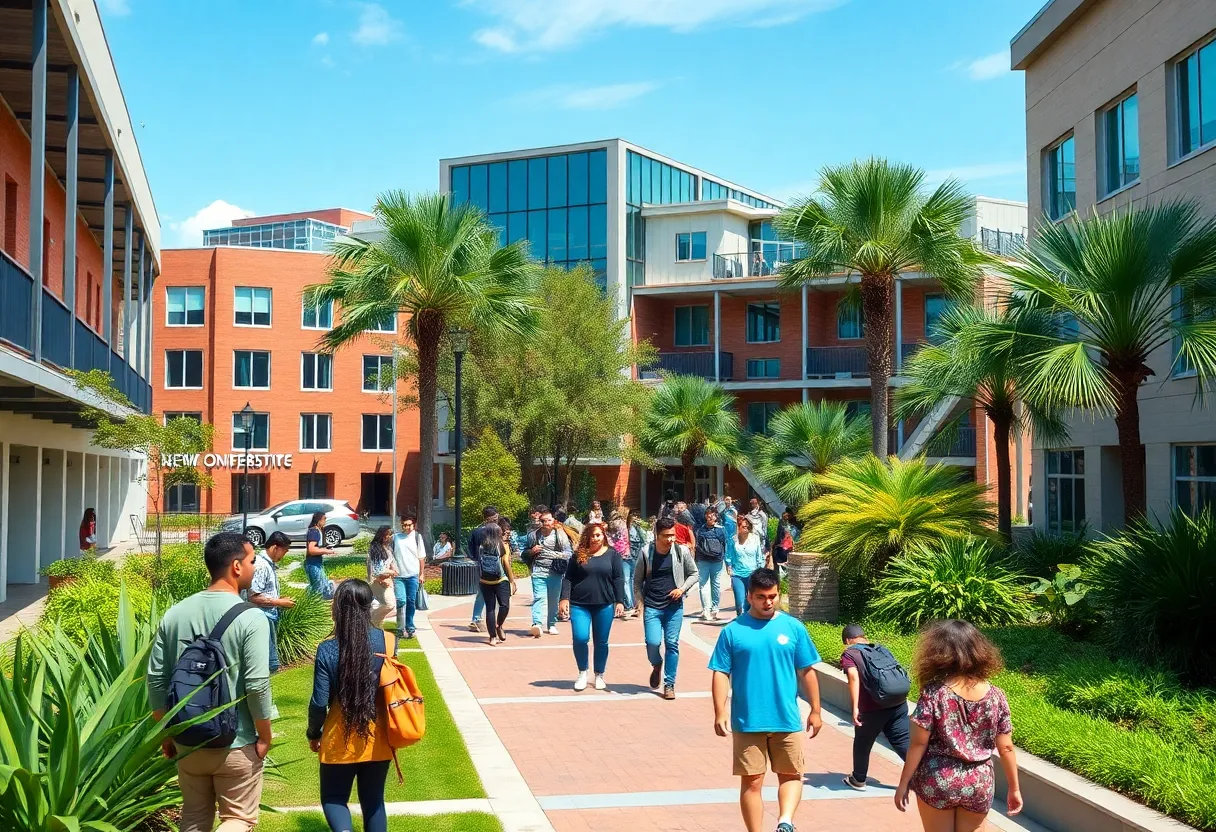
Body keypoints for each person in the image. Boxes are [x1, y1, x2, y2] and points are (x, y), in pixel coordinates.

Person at [147, 533, 273, 832]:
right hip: (236, 741)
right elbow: (257, 684)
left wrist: (167, 733)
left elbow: (156, 680)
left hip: (187, 741)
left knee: (193, 818)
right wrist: (265, 735)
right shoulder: (252, 619)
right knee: (238, 819)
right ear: (237, 567)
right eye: (252, 561)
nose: (255, 567)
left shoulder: (174, 614)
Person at [709, 569, 823, 832]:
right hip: (747, 720)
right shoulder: (732, 631)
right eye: (761, 597)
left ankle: (785, 822)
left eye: (772, 596)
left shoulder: (793, 627)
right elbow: (720, 672)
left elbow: (807, 670)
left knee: (792, 774)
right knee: (752, 781)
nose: (768, 602)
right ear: (749, 596)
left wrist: (816, 710)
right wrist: (719, 711)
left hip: (786, 718)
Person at [895, 620, 1022, 831]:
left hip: (938, 779)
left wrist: (903, 783)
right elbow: (1006, 747)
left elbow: (918, 744)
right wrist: (1014, 788)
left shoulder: (934, 693)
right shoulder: (996, 696)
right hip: (978, 781)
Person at [307, 579, 396, 832]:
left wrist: (314, 733)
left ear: (337, 608)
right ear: (369, 606)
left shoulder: (327, 649)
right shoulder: (388, 642)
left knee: (334, 798)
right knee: (374, 801)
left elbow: (319, 702)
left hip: (338, 738)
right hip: (378, 737)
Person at [633, 516, 698, 700]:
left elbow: (694, 574)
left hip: (674, 607)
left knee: (672, 645)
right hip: (652, 606)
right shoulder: (647, 552)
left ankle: (669, 684)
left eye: (673, 535)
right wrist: (639, 601)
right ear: (657, 535)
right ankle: (656, 663)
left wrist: (682, 589)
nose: (671, 539)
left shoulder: (681, 551)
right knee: (652, 642)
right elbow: (637, 580)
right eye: (666, 536)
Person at [841, 623, 910, 790]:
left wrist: (855, 707)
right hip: (898, 703)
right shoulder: (881, 648)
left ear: (848, 640)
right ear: (863, 637)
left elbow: (853, 677)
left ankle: (858, 779)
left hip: (872, 707)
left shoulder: (850, 653)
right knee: (902, 741)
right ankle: (925, 776)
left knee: (863, 743)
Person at [559, 522, 625, 691]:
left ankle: (599, 674)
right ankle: (582, 672)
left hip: (604, 605)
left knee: (601, 642)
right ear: (587, 537)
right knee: (580, 638)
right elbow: (568, 578)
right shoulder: (578, 555)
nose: (596, 538)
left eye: (599, 535)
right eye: (593, 535)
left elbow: (618, 579)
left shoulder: (612, 555)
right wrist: (564, 599)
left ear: (603, 536)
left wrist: (620, 601)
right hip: (579, 604)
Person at [247, 530, 295, 674]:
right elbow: (253, 596)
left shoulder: (268, 564)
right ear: (275, 548)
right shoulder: (261, 566)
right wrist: (279, 602)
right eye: (284, 551)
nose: (284, 555)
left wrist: (279, 600)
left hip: (268, 616)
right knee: (269, 664)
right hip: (262, 617)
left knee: (270, 662)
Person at [525, 510, 572, 637]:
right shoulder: (533, 536)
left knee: (553, 600)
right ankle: (537, 624)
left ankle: (551, 624)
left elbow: (569, 553)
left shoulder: (560, 535)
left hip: (555, 573)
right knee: (540, 598)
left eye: (549, 520)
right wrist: (532, 551)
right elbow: (524, 553)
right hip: (538, 572)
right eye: (543, 521)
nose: (546, 523)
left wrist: (554, 555)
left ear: (554, 521)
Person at [477, 517, 518, 646]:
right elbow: (505, 562)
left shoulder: (481, 546)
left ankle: (492, 637)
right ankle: (499, 625)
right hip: (501, 579)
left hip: (484, 580)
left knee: (490, 609)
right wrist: (512, 581)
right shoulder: (502, 545)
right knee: (504, 605)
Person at [726, 515, 767, 618]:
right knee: (740, 602)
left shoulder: (755, 538)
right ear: (738, 527)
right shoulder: (733, 540)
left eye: (748, 527)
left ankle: (750, 622)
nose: (746, 529)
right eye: (744, 526)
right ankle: (741, 621)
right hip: (737, 574)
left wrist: (760, 570)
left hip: (752, 574)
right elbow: (728, 555)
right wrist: (729, 566)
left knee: (750, 601)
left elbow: (759, 556)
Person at [391, 515, 424, 640]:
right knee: (401, 600)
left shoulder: (417, 537)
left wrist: (421, 574)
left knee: (411, 602)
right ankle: (400, 627)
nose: (407, 527)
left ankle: (410, 626)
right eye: (404, 525)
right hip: (399, 576)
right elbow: (390, 555)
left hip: (412, 576)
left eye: (409, 525)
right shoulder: (396, 538)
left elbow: (421, 557)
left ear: (413, 525)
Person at [695, 508, 728, 622]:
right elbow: (697, 545)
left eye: (713, 515)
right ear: (705, 516)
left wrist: (725, 559)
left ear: (716, 517)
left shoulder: (721, 530)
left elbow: (725, 544)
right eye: (708, 515)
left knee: (716, 585)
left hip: (717, 561)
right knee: (703, 585)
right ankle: (706, 609)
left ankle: (715, 607)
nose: (710, 517)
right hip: (703, 560)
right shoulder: (700, 530)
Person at [366, 526, 397, 629]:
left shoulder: (388, 548)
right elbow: (377, 570)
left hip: (387, 580)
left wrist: (394, 570)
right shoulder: (375, 549)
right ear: (382, 536)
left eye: (390, 534)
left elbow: (391, 563)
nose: (390, 537)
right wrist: (391, 572)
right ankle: (371, 622)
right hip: (378, 582)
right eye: (388, 535)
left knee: (384, 605)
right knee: (390, 604)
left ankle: (377, 628)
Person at [305, 512, 336, 600]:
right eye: (324, 519)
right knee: (318, 590)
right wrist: (326, 551)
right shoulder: (314, 531)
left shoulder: (317, 530)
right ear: (319, 520)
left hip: (316, 562)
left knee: (322, 586)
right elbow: (311, 549)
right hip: (313, 563)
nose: (325, 521)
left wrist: (325, 548)